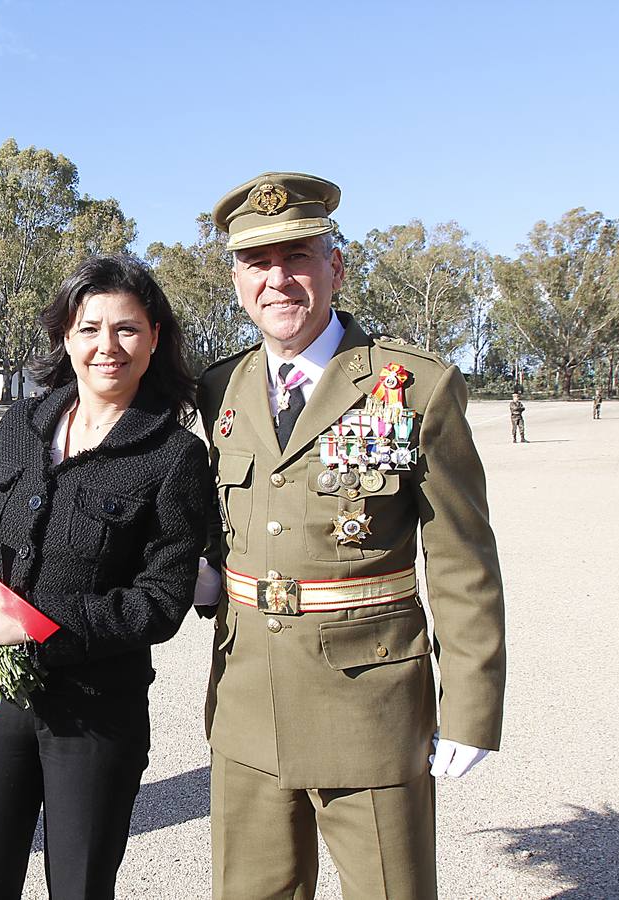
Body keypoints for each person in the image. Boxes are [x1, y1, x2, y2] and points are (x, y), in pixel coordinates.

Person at [196, 172, 507, 899]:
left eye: (297, 256)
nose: (277, 280)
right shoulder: (220, 389)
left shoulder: (416, 386)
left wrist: (470, 708)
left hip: (368, 706)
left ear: (335, 265)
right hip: (246, 705)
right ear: (237, 277)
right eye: (256, 263)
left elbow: (462, 561)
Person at [0, 255, 211, 900]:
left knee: (78, 889)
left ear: (156, 337)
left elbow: (159, 603)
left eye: (127, 329)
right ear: (65, 338)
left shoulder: (175, 455)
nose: (107, 346)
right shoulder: (19, 428)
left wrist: (34, 629)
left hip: (95, 712)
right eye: (89, 328)